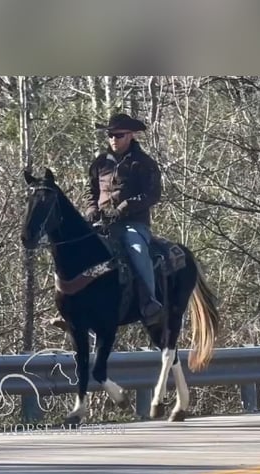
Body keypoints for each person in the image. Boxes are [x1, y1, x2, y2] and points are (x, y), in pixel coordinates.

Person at [83, 112, 164, 324]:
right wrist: (91, 208)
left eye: (118, 135)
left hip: (133, 224)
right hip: (101, 223)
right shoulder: (100, 163)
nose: (113, 139)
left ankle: (149, 301)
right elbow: (90, 190)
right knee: (75, 248)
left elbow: (153, 194)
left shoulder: (144, 163)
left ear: (130, 136)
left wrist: (125, 207)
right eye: (110, 135)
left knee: (136, 249)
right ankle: (73, 305)